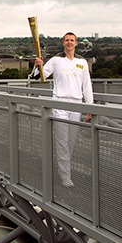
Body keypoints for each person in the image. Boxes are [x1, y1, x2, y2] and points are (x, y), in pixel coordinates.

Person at [34, 32, 93, 187]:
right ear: (63, 43)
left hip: (76, 104)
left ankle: (63, 170)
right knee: (62, 141)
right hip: (60, 103)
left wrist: (90, 106)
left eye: (72, 40)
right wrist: (38, 65)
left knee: (71, 141)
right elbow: (39, 77)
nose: (69, 42)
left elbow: (87, 85)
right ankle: (65, 177)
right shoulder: (56, 60)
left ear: (76, 43)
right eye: (67, 40)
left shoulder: (82, 62)